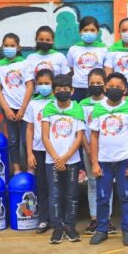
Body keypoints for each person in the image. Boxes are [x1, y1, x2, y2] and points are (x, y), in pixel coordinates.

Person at [89, 73, 128, 246]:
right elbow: (94, 137)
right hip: (103, 162)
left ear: (125, 90)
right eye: (111, 87)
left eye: (118, 87)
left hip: (124, 161)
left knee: (126, 196)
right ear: (105, 88)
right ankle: (101, 229)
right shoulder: (99, 109)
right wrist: (95, 163)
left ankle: (127, 230)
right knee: (102, 198)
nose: (114, 90)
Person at [41, 74, 85, 244]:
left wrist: (66, 157)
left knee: (71, 194)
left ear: (72, 91)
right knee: (55, 195)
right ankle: (57, 227)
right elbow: (45, 136)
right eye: (58, 90)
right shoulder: (48, 109)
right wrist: (56, 158)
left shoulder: (77, 109)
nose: (62, 92)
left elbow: (79, 136)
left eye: (66, 89)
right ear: (53, 92)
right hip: (52, 161)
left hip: (71, 160)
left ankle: (70, 226)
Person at [79, 68, 116, 235]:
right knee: (93, 183)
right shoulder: (82, 104)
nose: (95, 86)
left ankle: (106, 219)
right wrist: (88, 150)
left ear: (105, 84)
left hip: (108, 151)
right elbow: (80, 130)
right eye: (92, 83)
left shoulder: (110, 103)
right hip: (89, 150)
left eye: (99, 83)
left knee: (107, 183)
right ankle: (95, 218)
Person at [0, 32, 34, 175]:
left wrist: (23, 109)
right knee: (13, 140)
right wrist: (6, 109)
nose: (9, 48)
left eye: (12, 45)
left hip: (26, 108)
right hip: (9, 109)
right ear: (2, 46)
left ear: (18, 47)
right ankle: (16, 170)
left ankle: (30, 169)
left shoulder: (25, 63)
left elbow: (30, 86)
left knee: (27, 140)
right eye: (6, 45)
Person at [24, 69, 54, 235]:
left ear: (53, 84)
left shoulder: (58, 102)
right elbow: (29, 129)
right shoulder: (33, 104)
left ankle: (59, 218)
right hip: (39, 150)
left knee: (57, 186)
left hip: (56, 152)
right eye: (40, 83)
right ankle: (44, 219)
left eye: (47, 83)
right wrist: (30, 153)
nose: (43, 86)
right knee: (42, 186)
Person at [67, 16, 108, 101]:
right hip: (78, 87)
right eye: (85, 30)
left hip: (97, 87)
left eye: (92, 30)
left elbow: (106, 69)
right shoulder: (73, 49)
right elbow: (71, 69)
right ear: (80, 31)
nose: (89, 33)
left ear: (98, 31)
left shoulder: (104, 49)